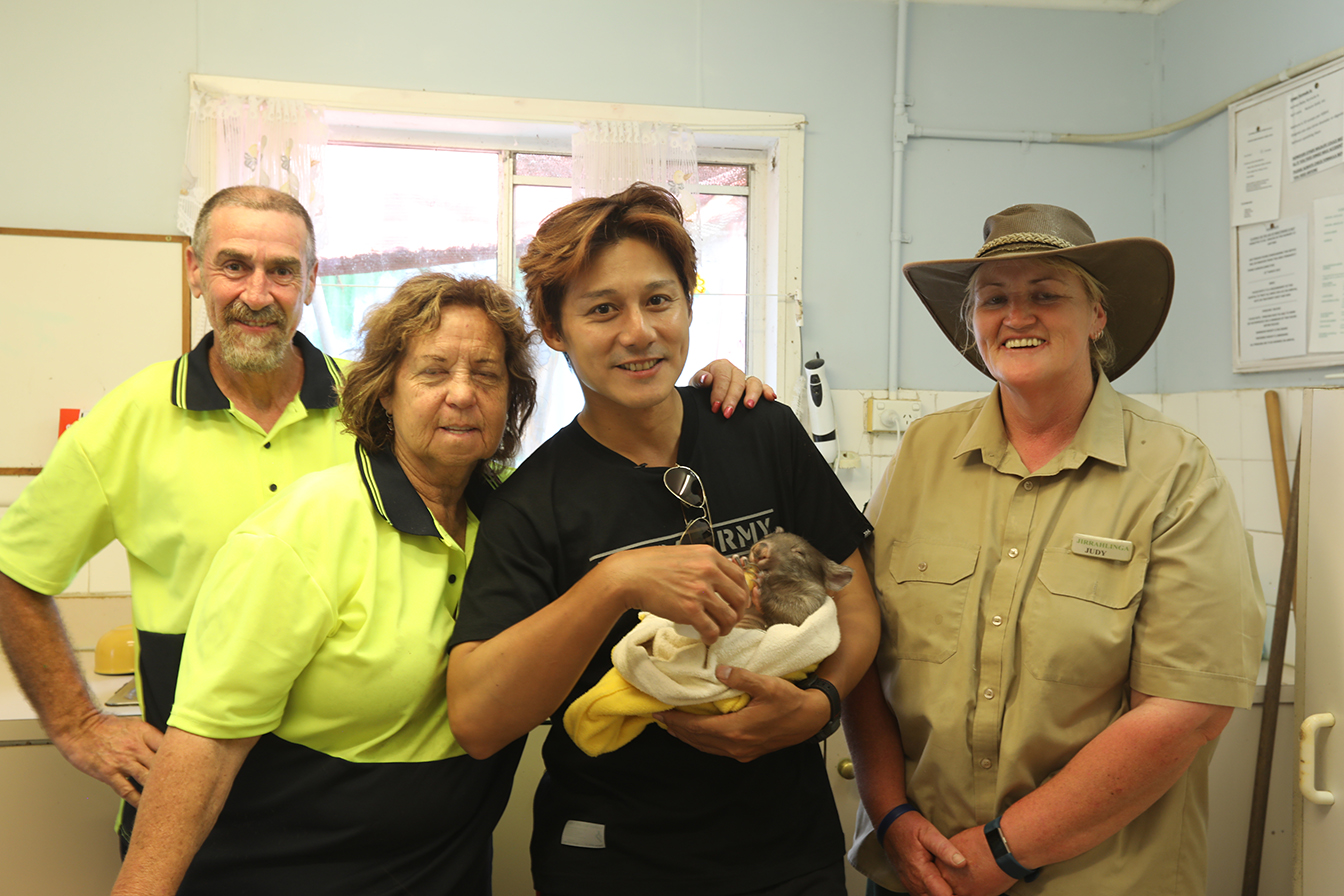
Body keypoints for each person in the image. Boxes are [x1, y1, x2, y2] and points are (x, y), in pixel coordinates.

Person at [0, 184, 761, 851]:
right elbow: (14, 569)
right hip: (208, 794)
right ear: (194, 271)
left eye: (282, 270)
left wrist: (704, 403)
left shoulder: (387, 418)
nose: (258, 292)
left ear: (311, 282)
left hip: (421, 829)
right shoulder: (130, 422)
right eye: (234, 265)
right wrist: (78, 724)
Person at [446, 182, 880, 896]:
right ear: (554, 328)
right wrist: (614, 582)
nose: (639, 332)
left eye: (658, 300)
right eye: (602, 310)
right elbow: (478, 720)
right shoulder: (531, 504)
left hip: (787, 853)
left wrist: (819, 707)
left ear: (687, 305)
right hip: (617, 861)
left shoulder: (762, 431)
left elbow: (857, 608)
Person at [843, 204, 1265, 896]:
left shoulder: (1174, 471)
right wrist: (890, 814)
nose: (1017, 316)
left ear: (1097, 316)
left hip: (1098, 880)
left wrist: (1003, 854)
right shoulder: (922, 452)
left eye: (1045, 294)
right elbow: (861, 641)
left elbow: (1188, 709)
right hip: (915, 868)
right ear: (973, 322)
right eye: (994, 299)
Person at [111, 273, 536, 894]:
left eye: (488, 375)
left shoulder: (516, 529)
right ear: (385, 391)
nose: (463, 394)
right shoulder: (304, 529)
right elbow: (205, 748)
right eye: (433, 372)